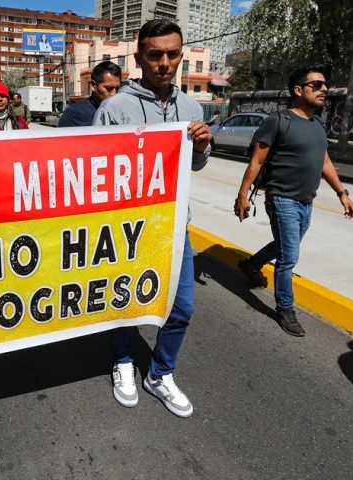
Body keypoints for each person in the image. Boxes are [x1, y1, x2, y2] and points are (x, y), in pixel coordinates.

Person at [93, 19, 212, 419]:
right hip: (127, 231)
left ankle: (160, 374)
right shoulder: (114, 108)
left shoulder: (191, 108)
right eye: (155, 54)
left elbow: (194, 166)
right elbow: (95, 173)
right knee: (126, 303)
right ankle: (123, 360)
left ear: (181, 56)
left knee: (182, 308)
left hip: (174, 227)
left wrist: (202, 146)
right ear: (139, 56)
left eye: (173, 54)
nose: (165, 63)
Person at [234, 65, 353, 337]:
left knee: (284, 246)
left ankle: (251, 265)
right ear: (298, 90)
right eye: (317, 85)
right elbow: (256, 161)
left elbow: (325, 162)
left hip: (306, 201)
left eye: (325, 84)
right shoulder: (278, 121)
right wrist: (242, 195)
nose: (324, 89)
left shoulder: (317, 125)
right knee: (289, 258)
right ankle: (285, 308)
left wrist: (342, 193)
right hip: (282, 199)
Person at [58, 61, 121, 127]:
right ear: (93, 85)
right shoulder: (74, 115)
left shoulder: (121, 111)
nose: (114, 93)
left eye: (117, 88)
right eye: (109, 88)